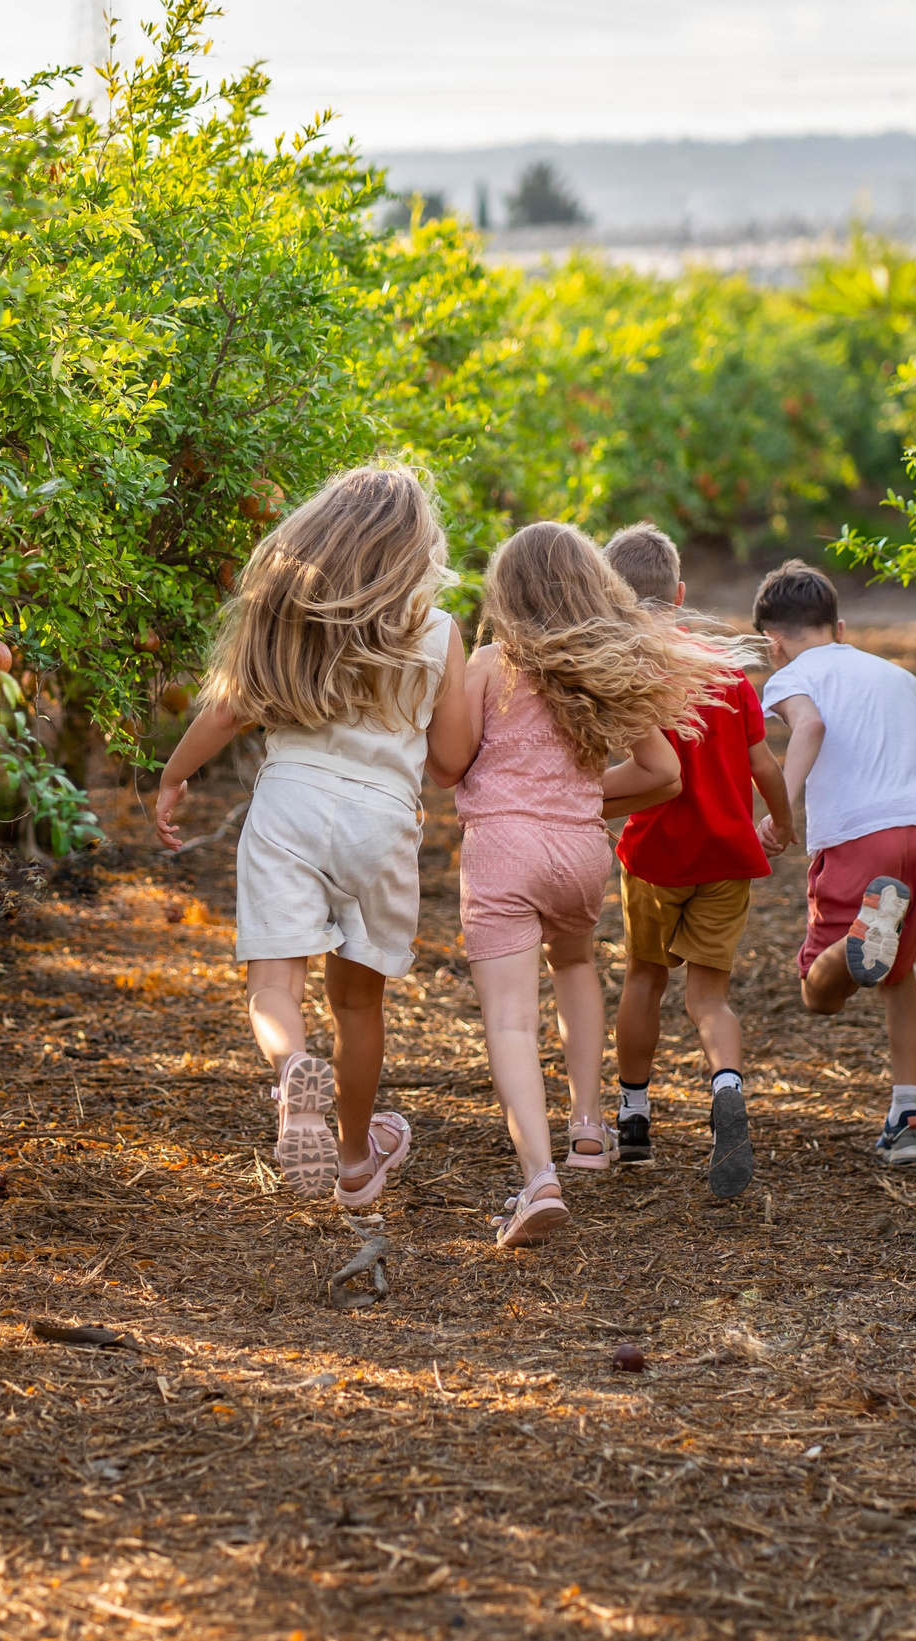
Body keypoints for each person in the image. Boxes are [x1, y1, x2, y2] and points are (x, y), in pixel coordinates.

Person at [154, 464, 476, 1209]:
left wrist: (174, 774)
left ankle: (293, 1073)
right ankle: (357, 1161)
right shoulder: (435, 630)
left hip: (289, 805)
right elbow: (451, 762)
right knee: (358, 1005)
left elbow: (228, 710)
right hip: (380, 823)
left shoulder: (289, 607)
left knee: (273, 983)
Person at [435, 521, 735, 1247]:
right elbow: (662, 772)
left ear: (503, 592)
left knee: (511, 1019)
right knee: (574, 965)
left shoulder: (488, 665)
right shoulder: (600, 671)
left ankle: (540, 1179)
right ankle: (590, 1128)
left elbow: (448, 766)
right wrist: (575, 798)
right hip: (578, 852)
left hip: (504, 851)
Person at [598, 523, 794, 1197]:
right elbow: (764, 764)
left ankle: (634, 1119)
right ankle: (727, 1087)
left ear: (610, 597)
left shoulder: (625, 672)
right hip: (728, 856)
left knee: (644, 979)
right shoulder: (728, 670)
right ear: (679, 593)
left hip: (655, 857)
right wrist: (782, 824)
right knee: (709, 996)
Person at [751, 562, 916, 1165]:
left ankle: (858, 938)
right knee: (898, 972)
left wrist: (781, 813)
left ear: (772, 643)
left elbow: (811, 726)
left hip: (860, 838)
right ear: (840, 628)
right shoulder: (898, 676)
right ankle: (909, 1119)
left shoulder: (791, 675)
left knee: (819, 996)